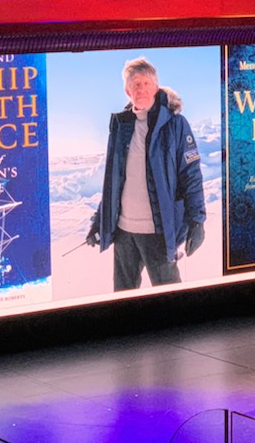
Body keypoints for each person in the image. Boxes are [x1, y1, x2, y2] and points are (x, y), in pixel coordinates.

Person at [86, 57, 206, 291]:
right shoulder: (121, 127)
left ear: (156, 87)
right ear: (127, 91)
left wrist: (197, 220)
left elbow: (191, 175)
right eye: (135, 84)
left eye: (146, 83)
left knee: (170, 296)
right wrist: (99, 221)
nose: (141, 89)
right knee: (123, 297)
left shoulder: (175, 125)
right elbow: (113, 182)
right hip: (124, 234)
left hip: (158, 233)